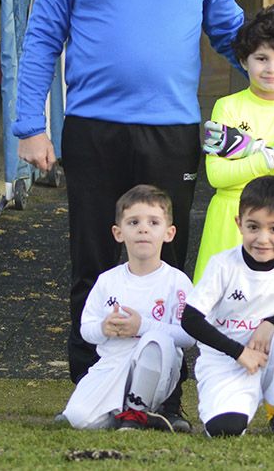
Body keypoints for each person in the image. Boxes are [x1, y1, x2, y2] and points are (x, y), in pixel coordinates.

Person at [12, 0, 274, 414]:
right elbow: (42, 37)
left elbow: (234, 34)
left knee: (169, 268)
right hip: (94, 128)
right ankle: (93, 387)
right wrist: (30, 123)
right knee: (96, 259)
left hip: (173, 132)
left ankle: (162, 395)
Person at [180, 176, 274, 442]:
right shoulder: (222, 265)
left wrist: (272, 321)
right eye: (253, 227)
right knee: (225, 430)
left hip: (271, 360)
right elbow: (190, 318)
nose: (262, 239)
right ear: (239, 224)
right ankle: (245, 401)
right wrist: (239, 352)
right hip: (227, 359)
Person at [196, 6, 274, 281]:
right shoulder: (226, 107)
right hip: (229, 220)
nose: (271, 69)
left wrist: (248, 155)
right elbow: (217, 176)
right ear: (243, 59)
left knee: (269, 311)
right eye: (262, 58)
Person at [61, 185, 195, 431]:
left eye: (153, 222)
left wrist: (142, 326)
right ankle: (126, 414)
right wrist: (104, 328)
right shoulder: (107, 280)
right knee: (80, 419)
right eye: (133, 222)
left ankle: (137, 413)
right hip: (113, 363)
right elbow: (86, 329)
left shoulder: (177, 282)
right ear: (118, 232)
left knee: (155, 340)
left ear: (169, 232)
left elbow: (188, 337)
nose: (143, 228)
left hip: (158, 367)